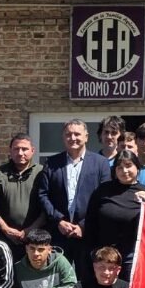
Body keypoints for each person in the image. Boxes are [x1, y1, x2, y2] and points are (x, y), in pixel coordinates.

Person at [37, 119, 112, 278]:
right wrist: (58, 220)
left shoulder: (101, 163)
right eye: (68, 134)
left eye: (77, 134)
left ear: (86, 136)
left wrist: (83, 226)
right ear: (63, 137)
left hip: (88, 233)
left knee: (88, 279)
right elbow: (43, 195)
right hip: (59, 233)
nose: (73, 138)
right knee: (56, 279)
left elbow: (105, 198)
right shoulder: (52, 163)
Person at [84, 150, 145, 273]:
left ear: (137, 167)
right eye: (119, 167)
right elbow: (90, 222)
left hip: (132, 255)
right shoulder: (102, 190)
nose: (124, 171)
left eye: (129, 166)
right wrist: (92, 251)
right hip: (103, 254)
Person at [0, 133, 46, 258]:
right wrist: (5, 228)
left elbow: (48, 205)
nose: (20, 153)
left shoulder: (42, 173)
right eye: (16, 149)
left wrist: (30, 230)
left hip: (35, 239)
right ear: (10, 151)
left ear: (32, 151)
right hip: (4, 238)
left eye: (25, 149)